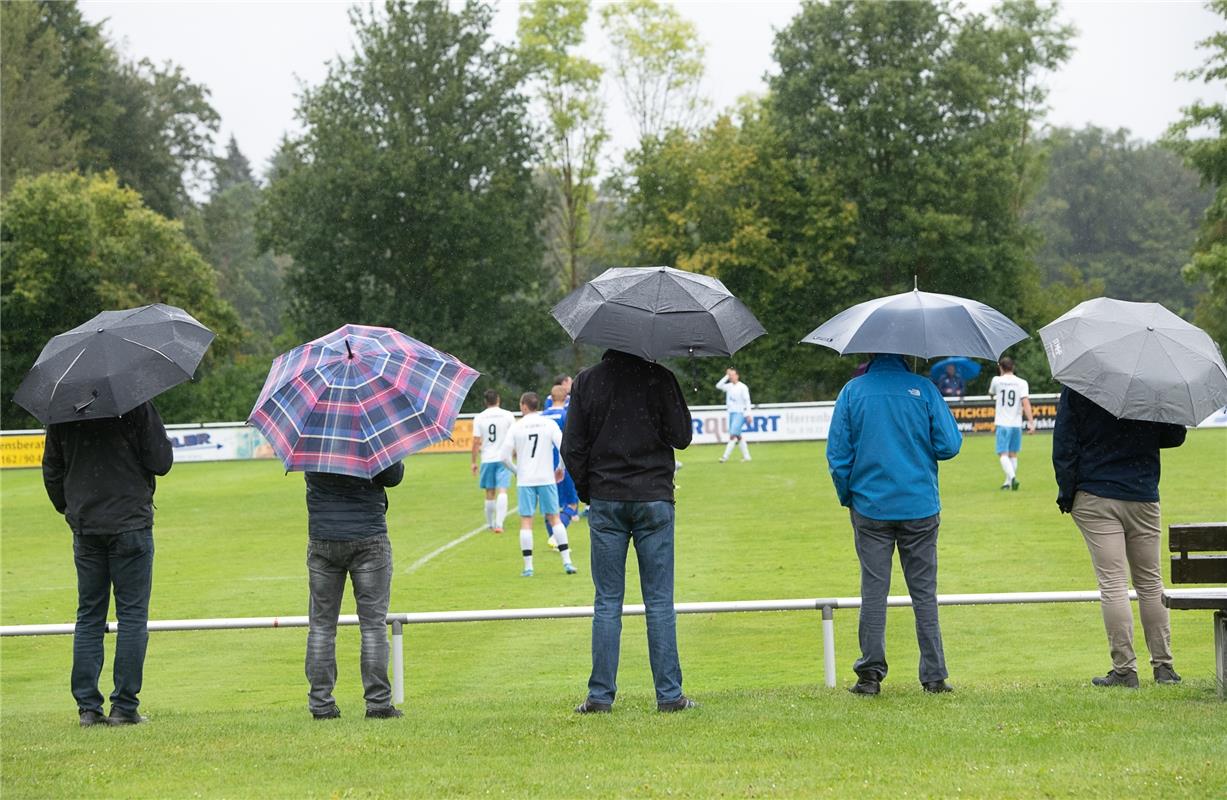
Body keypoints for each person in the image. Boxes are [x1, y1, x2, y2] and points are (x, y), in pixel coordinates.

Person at [562, 349, 695, 713]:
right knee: (659, 601)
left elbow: (571, 446)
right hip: (653, 498)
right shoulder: (661, 377)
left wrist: (590, 491)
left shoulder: (588, 380)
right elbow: (682, 437)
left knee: (606, 602)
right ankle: (669, 695)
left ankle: (600, 696)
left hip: (607, 498)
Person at [826, 354, 962, 696]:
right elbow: (950, 445)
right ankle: (934, 675)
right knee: (924, 594)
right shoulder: (925, 388)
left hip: (871, 506)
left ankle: (869, 676)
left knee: (873, 592)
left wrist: (850, 496)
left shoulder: (852, 392)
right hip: (919, 505)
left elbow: (838, 456)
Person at [42, 400, 174, 727]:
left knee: (89, 615)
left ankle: (88, 707)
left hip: (86, 524)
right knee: (131, 616)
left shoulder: (61, 410)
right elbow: (161, 462)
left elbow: (52, 470)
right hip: (130, 521)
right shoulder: (136, 404)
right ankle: (124, 706)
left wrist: (71, 506)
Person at [1052, 386, 1186, 688]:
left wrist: (1066, 493)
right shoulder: (1151, 385)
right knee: (1151, 582)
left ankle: (1125, 670)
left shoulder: (1079, 385)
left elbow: (1064, 443)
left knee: (1113, 583)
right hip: (1142, 492)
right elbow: (1174, 437)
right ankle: (1164, 667)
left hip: (1096, 491)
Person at [304, 462, 405, 720]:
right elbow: (393, 477)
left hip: (323, 539)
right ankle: (378, 704)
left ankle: (321, 705)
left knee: (321, 627)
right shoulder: (370, 437)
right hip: (369, 537)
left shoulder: (314, 442)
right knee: (372, 626)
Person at [501, 392, 576, 577]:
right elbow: (563, 448)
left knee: (526, 521)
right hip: (546, 478)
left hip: (526, 480)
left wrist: (517, 470)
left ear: (524, 406)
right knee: (555, 518)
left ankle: (528, 567)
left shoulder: (517, 427)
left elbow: (504, 456)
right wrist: (560, 468)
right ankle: (567, 562)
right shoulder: (548, 424)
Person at [470, 390, 516, 533]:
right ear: (498, 399)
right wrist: (515, 454)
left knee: (490, 492)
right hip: (504, 457)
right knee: (503, 489)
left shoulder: (479, 417)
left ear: (485, 401)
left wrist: (473, 461)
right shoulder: (508, 415)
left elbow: (476, 442)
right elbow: (514, 436)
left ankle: (490, 524)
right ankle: (499, 524)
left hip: (487, 458)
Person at [988, 356, 1035, 490]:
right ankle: (1008, 483)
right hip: (1016, 423)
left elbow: (991, 393)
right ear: (1013, 367)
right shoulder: (1022, 382)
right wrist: (1031, 422)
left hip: (1002, 422)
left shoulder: (997, 380)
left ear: (1000, 367)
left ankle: (1012, 477)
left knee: (1002, 453)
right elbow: (1025, 403)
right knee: (1013, 454)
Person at [541, 383, 580, 538]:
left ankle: (553, 535)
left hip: (543, 465)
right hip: (563, 465)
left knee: (550, 506)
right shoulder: (566, 415)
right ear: (566, 398)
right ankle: (555, 536)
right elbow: (570, 442)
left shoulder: (542, 416)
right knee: (572, 503)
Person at [715, 368, 752, 463]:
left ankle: (725, 457)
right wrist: (726, 376)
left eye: (732, 375)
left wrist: (748, 414)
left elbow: (747, 401)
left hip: (740, 413)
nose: (731, 377)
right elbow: (718, 386)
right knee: (738, 436)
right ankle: (747, 456)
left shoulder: (743, 387)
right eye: (730, 375)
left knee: (732, 435)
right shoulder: (729, 386)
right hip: (731, 413)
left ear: (737, 376)